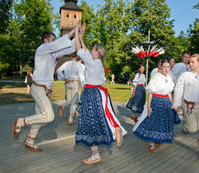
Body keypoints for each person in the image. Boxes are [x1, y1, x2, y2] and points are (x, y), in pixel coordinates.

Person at [12, 27, 77, 152]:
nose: (54, 42)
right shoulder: (42, 49)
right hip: (38, 88)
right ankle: (20, 122)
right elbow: (58, 44)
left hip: (44, 90)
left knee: (40, 117)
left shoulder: (53, 54)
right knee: (48, 116)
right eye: (52, 40)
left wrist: (80, 34)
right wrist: (74, 30)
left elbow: (70, 48)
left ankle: (30, 141)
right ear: (46, 41)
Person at [74, 21, 127, 165]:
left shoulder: (92, 62)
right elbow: (84, 50)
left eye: (93, 49)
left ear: (97, 52)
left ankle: (110, 135)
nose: (90, 50)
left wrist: (77, 31)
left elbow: (79, 49)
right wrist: (81, 35)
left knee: (90, 122)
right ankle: (110, 134)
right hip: (98, 93)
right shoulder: (98, 63)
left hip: (91, 94)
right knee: (96, 120)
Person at [133, 60, 179, 152]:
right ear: (161, 67)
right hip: (156, 101)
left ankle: (159, 139)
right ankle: (152, 143)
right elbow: (150, 93)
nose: (166, 69)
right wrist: (149, 107)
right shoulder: (156, 77)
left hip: (166, 102)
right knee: (154, 121)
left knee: (164, 121)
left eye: (168, 67)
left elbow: (169, 93)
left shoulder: (169, 78)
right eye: (164, 66)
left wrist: (173, 104)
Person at [57, 53, 85, 125]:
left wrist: (63, 78)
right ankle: (70, 119)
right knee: (74, 102)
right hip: (75, 83)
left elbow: (58, 70)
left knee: (69, 100)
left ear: (70, 57)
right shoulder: (78, 65)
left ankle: (63, 107)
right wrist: (83, 85)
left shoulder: (67, 63)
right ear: (76, 57)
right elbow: (81, 76)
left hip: (67, 83)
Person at [171, 51, 191, 134]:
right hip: (178, 90)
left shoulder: (190, 67)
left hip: (187, 92)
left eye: (188, 57)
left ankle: (185, 127)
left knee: (186, 110)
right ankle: (170, 129)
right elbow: (172, 76)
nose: (186, 58)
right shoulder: (178, 66)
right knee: (174, 110)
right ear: (182, 57)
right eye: (185, 57)